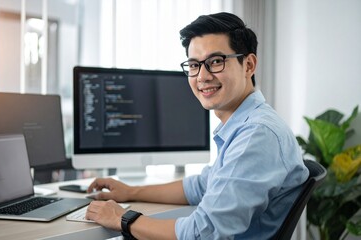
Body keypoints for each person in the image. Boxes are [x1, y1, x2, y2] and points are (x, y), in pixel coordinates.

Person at [84, 12, 309, 239]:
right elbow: (201, 185)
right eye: (194, 65)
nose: (202, 76)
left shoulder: (257, 135)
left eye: (215, 62)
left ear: (249, 65)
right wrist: (131, 191)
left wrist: (121, 219)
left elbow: (203, 234)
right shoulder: (246, 125)